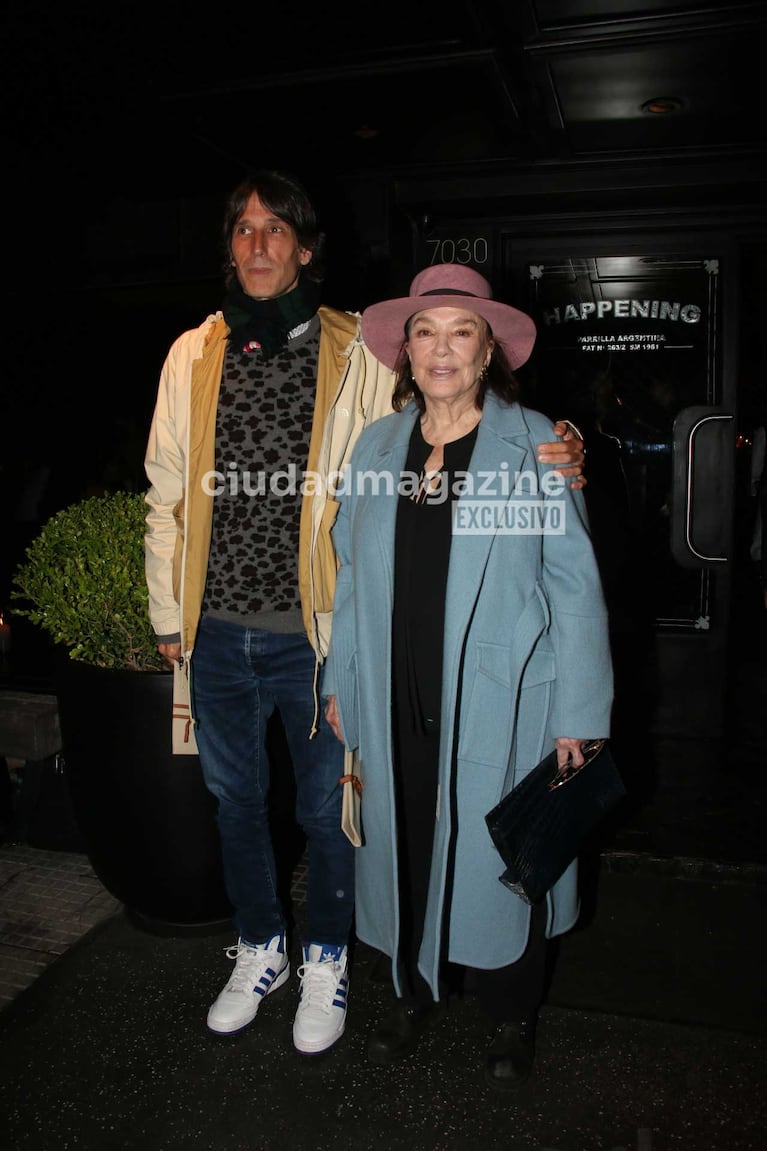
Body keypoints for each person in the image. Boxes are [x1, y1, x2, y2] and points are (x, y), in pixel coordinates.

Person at [143, 171, 586, 1056]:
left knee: (332, 812)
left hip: (317, 633)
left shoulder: (356, 352)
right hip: (223, 628)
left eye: (277, 229)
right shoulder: (192, 353)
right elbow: (166, 490)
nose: (258, 244)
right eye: (243, 229)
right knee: (236, 801)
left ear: (306, 248)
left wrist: (562, 440)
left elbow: (462, 408)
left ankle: (330, 959)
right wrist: (167, 612)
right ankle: (262, 946)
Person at [322, 263, 613, 1089]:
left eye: (461, 333)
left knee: (502, 859)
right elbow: (350, 574)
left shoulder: (534, 444)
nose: (441, 349)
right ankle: (409, 990)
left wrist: (580, 713)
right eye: (425, 332)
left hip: (502, 693)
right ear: (405, 352)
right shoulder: (377, 447)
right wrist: (341, 680)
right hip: (394, 687)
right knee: (403, 842)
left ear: (488, 352)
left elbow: (573, 585)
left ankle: (511, 1012)